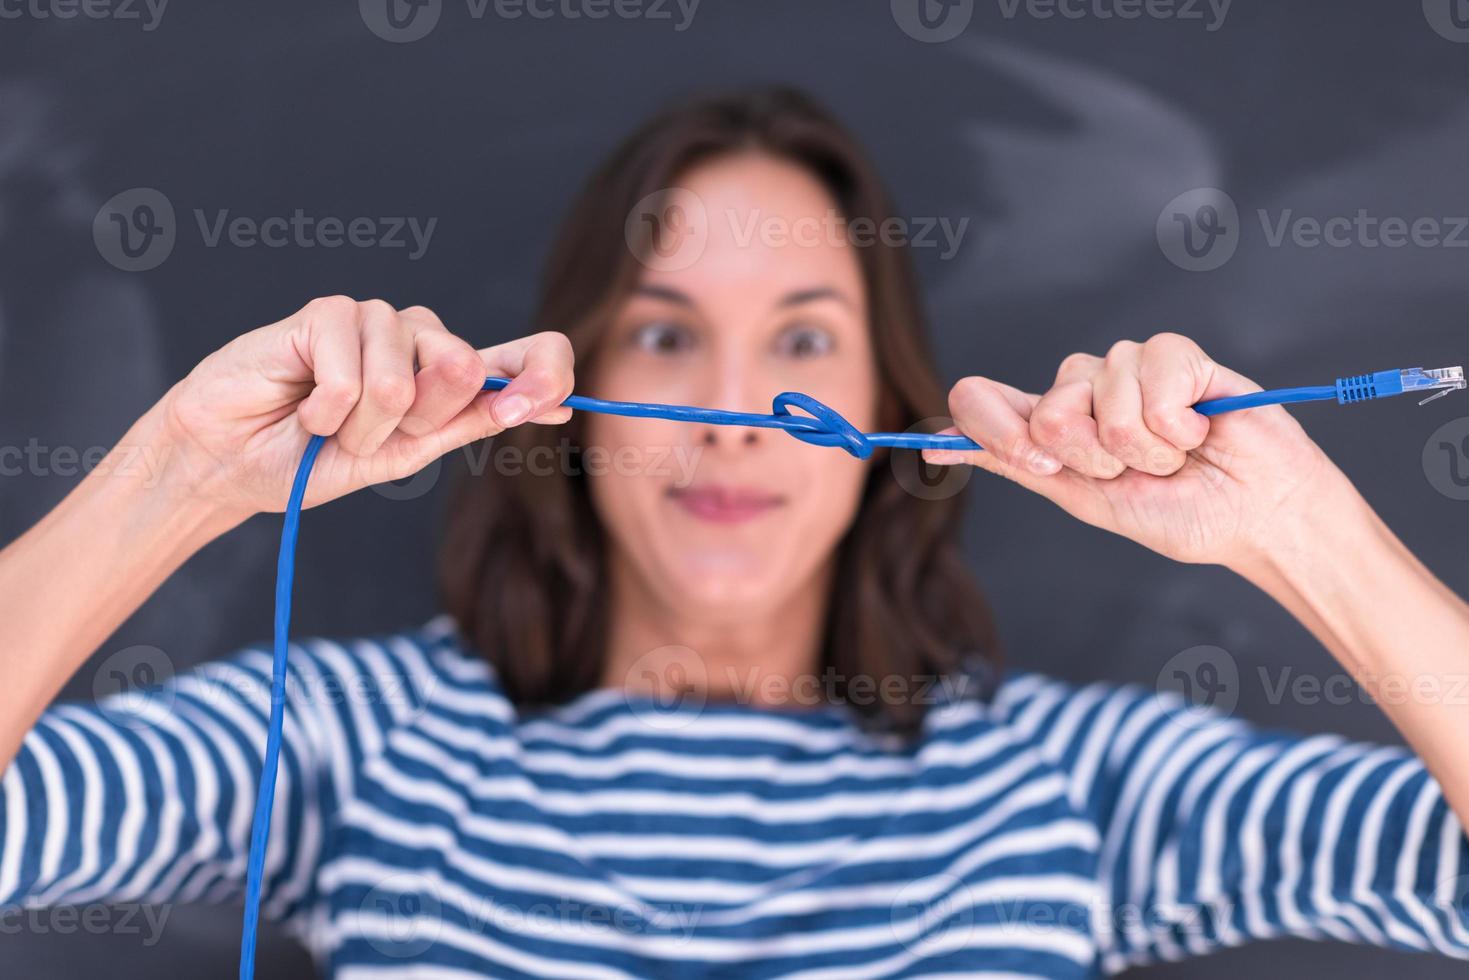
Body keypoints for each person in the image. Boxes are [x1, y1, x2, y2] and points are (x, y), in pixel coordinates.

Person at [2, 87, 1467, 979]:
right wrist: (178, 473)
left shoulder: (1077, 780)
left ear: (887, 409)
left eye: (802, 340)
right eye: (661, 333)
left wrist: (1298, 533)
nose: (728, 412)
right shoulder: (340, 740)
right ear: (569, 393)